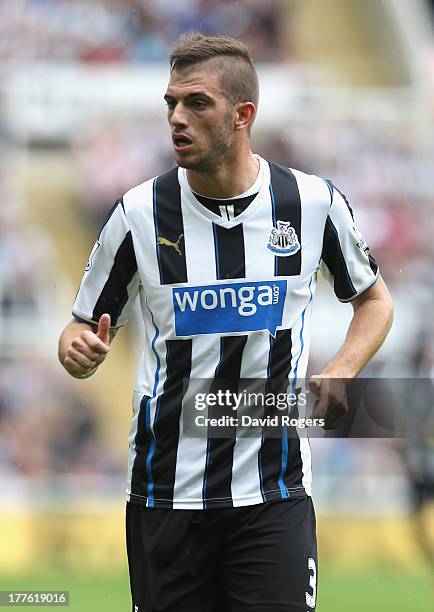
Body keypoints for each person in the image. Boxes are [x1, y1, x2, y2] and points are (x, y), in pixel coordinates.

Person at [58, 33, 394, 612]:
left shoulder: (310, 203)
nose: (177, 119)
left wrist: (341, 369)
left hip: (274, 491)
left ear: (243, 116)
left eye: (197, 103)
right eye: (171, 104)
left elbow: (374, 301)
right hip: (167, 496)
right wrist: (77, 350)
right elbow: (79, 327)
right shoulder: (138, 214)